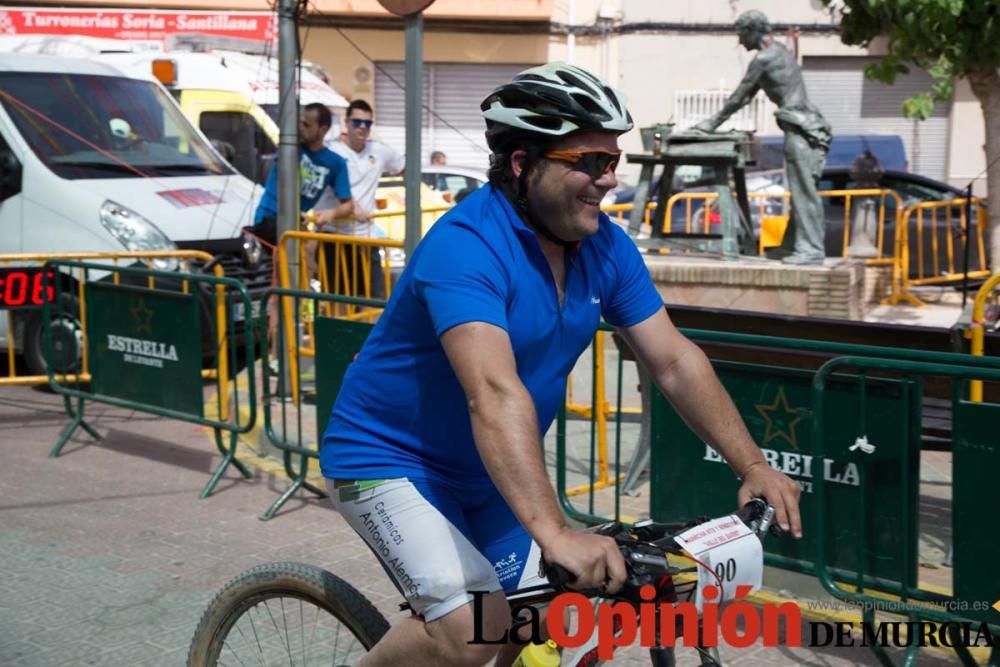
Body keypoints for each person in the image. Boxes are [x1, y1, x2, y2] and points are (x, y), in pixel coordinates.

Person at [321, 63, 802, 667]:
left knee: (556, 619)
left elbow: (674, 360)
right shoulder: (465, 246)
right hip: (390, 463)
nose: (608, 179)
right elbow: (493, 393)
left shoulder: (605, 245)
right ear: (523, 164)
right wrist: (554, 532)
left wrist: (752, 463)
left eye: (613, 160)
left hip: (490, 476)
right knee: (473, 634)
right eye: (590, 162)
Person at [692, 10, 832, 265]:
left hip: (801, 129)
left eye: (741, 34)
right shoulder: (780, 52)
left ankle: (810, 250)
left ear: (752, 31)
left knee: (804, 192)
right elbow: (746, 97)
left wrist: (711, 124)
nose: (740, 41)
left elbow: (740, 96)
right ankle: (792, 245)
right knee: (801, 190)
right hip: (807, 126)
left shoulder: (764, 59)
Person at [325, 99, 405, 299]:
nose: (362, 127)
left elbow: (407, 169)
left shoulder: (377, 149)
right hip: (335, 236)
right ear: (347, 123)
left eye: (368, 123)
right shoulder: (332, 150)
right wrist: (353, 207)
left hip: (366, 236)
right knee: (339, 300)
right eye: (357, 122)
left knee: (372, 299)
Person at [251, 103, 352, 249]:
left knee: (308, 259)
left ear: (323, 130)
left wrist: (331, 213)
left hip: (296, 223)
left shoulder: (336, 163)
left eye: (306, 125)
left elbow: (348, 205)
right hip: (269, 219)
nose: (301, 128)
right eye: (300, 123)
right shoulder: (290, 147)